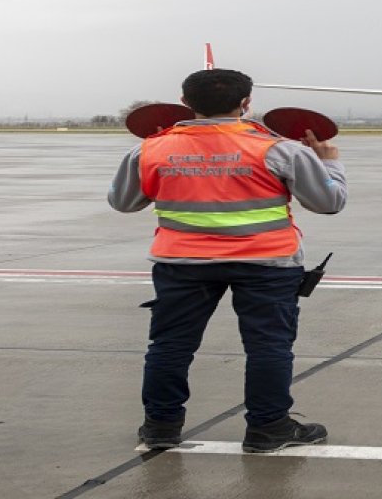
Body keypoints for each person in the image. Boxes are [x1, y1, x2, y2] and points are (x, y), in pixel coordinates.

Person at [107, 68, 347, 453]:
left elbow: (122, 202)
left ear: (185, 103)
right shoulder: (279, 149)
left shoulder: (151, 148)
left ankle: (160, 427)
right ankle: (268, 429)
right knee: (268, 347)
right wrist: (330, 164)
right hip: (267, 263)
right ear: (246, 102)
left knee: (170, 346)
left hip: (181, 263)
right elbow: (329, 203)